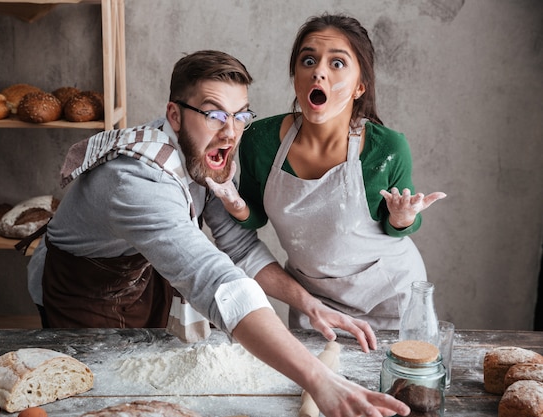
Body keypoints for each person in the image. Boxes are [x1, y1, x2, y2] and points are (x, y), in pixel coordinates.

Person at [26, 49, 410, 417]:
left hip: (146, 272)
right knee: (103, 392)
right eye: (213, 114)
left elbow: (239, 247)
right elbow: (216, 280)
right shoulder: (136, 182)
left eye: (240, 115)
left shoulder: (205, 154)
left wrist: (310, 304)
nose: (230, 132)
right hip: (83, 287)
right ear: (173, 116)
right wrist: (318, 379)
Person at [207, 14, 446, 331]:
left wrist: (404, 217)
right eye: (308, 60)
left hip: (390, 299)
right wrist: (233, 203)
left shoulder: (387, 148)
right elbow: (256, 216)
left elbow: (398, 228)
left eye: (337, 64)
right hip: (313, 299)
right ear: (295, 76)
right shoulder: (258, 141)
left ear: (360, 86)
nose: (318, 71)